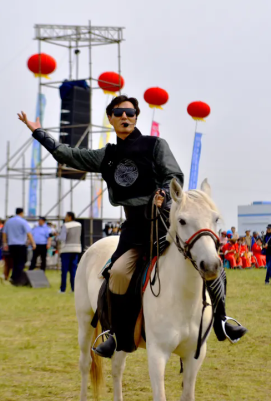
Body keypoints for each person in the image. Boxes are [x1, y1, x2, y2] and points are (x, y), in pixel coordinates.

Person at [18, 95, 247, 359]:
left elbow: (174, 175)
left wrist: (162, 191)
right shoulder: (108, 155)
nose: (124, 116)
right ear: (111, 119)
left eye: (129, 112)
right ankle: (115, 333)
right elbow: (69, 155)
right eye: (118, 113)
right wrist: (38, 133)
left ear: (136, 116)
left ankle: (221, 320)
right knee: (116, 273)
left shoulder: (155, 145)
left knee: (210, 262)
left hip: (165, 225)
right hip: (134, 230)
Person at [2, 208, 35, 285]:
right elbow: (29, 233)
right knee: (21, 262)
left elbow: (4, 233)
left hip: (11, 245)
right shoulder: (23, 221)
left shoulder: (8, 221)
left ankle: (13, 277)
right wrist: (33, 243)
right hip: (21, 245)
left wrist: (5, 243)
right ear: (22, 213)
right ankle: (16, 278)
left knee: (15, 262)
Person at [57, 212, 82, 292]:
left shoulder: (66, 225)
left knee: (64, 270)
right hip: (76, 249)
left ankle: (63, 289)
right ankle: (73, 288)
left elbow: (62, 238)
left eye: (66, 216)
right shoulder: (79, 225)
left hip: (66, 250)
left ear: (70, 217)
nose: (65, 218)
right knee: (73, 270)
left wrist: (57, 236)